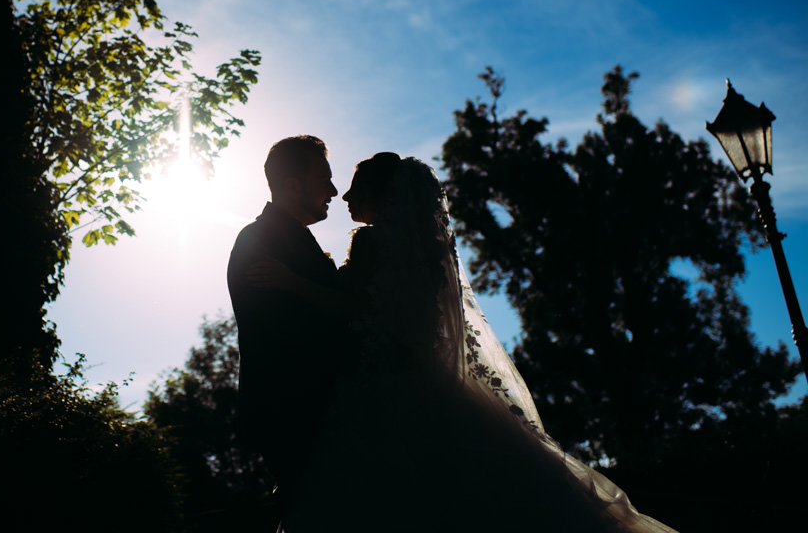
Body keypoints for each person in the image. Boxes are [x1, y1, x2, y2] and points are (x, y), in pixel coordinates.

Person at [254, 153, 679, 533]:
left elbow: (357, 309)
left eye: (355, 187)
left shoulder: (370, 242)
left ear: (381, 194)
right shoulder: (426, 255)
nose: (344, 196)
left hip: (380, 390)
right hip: (430, 385)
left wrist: (292, 282)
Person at [226, 135, 350, 524]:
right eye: (324, 179)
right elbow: (289, 331)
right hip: (298, 411)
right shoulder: (261, 240)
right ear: (293, 184)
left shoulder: (289, 238)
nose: (334, 191)